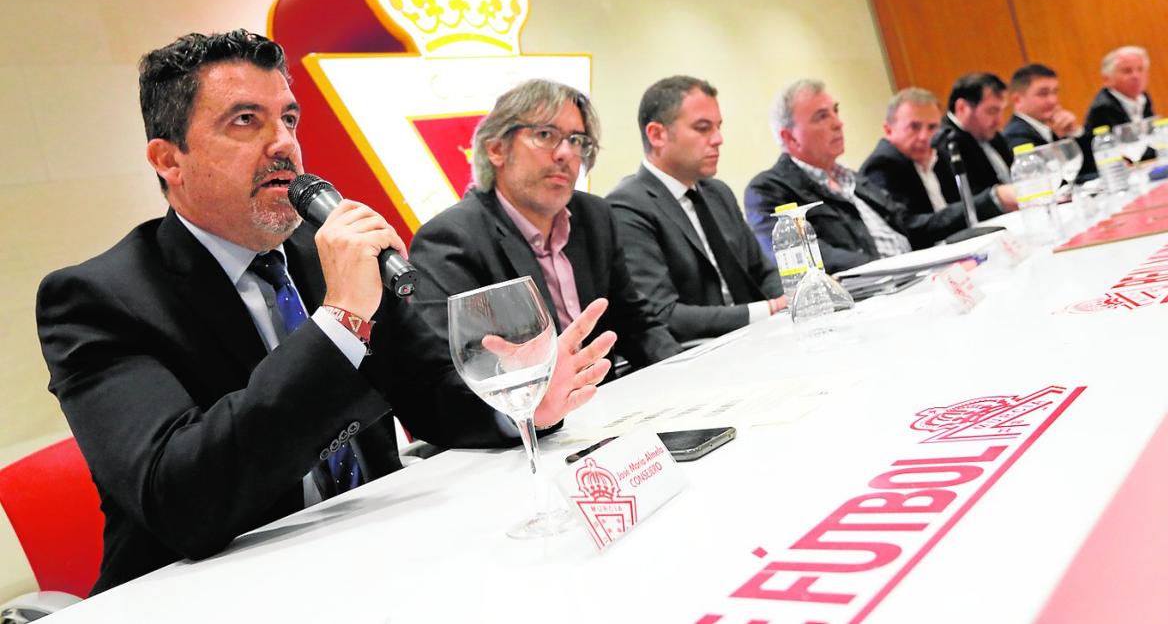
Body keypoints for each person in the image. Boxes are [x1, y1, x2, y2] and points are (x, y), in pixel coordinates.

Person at [35, 31, 613, 594]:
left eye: (289, 119)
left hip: (382, 560)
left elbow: (432, 398)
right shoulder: (97, 299)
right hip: (217, 593)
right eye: (245, 120)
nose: (283, 144)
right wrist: (339, 322)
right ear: (169, 160)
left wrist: (523, 404)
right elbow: (182, 500)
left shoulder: (325, 255)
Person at [409, 79, 682, 374]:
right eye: (545, 134)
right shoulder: (450, 240)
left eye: (576, 140)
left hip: (605, 395)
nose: (565, 153)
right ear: (497, 149)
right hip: (526, 402)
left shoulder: (595, 216)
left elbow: (635, 324)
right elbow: (458, 371)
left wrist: (686, 378)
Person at [744, 79, 1014, 273]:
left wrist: (991, 201)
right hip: (878, 289)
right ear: (789, 136)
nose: (838, 123)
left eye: (836, 111)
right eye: (821, 117)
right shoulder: (769, 190)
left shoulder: (851, 179)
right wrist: (899, 268)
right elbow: (810, 258)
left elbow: (911, 227)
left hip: (915, 274)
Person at [606, 76, 784, 342]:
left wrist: (795, 298)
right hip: (700, 351)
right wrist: (768, 310)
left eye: (718, 127)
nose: (718, 139)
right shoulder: (626, 206)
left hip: (762, 336)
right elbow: (664, 314)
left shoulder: (717, 192)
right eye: (703, 128)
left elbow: (761, 270)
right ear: (657, 135)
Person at [861, 87, 958, 214]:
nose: (924, 137)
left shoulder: (939, 155)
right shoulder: (881, 166)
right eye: (914, 127)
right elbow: (908, 223)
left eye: (932, 127)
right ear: (888, 130)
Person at [1079, 45, 1156, 177]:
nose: (1136, 76)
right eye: (1127, 71)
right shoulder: (1103, 107)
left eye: (1140, 69)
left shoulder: (1143, 97)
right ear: (1107, 79)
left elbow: (1150, 136)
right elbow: (1130, 151)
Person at [933, 72, 1014, 196]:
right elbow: (969, 197)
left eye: (1001, 111)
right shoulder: (946, 143)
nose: (1000, 121)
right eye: (992, 111)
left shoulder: (991, 133)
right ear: (962, 107)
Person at [1002, 63, 1080, 150]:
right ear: (1017, 100)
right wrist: (1059, 141)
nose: (1053, 100)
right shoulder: (1016, 136)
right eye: (1043, 93)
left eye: (1055, 92)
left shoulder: (1047, 128)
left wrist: (1072, 132)